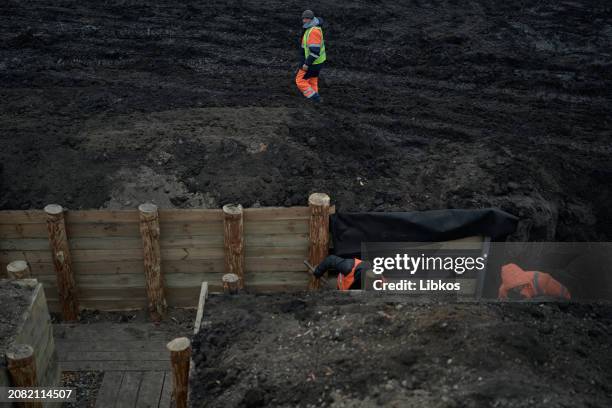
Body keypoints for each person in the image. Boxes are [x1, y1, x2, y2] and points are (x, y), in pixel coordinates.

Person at [295, 9, 326, 103]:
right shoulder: (312, 28)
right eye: (303, 19)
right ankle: (315, 101)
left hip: (312, 62)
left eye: (306, 19)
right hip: (318, 62)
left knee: (300, 81)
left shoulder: (313, 31)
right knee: (312, 81)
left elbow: (315, 52)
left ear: (311, 19)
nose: (304, 21)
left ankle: (315, 98)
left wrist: (307, 63)